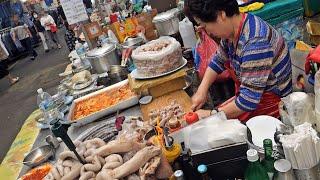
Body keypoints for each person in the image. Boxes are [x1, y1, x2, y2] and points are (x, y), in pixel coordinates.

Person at [186, 0, 292, 121]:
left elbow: (248, 101)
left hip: (273, 106)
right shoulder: (232, 31)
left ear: (221, 15)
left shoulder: (255, 42)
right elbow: (218, 60)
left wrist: (211, 114)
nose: (207, 32)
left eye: (205, 26)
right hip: (251, 97)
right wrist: (202, 91)